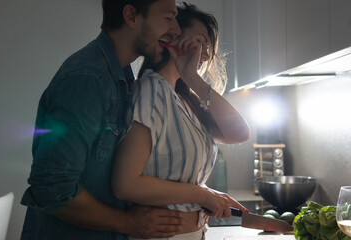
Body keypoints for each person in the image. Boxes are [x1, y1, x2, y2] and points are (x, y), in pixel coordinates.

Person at [20, 0, 185, 239]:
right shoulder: (87, 80)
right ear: (131, 15)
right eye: (168, 18)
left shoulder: (122, 77)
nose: (177, 30)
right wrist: (130, 223)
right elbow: (53, 189)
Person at [111, 3, 250, 239]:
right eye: (199, 42)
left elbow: (239, 133)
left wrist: (192, 79)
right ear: (172, 37)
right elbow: (126, 184)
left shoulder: (183, 99)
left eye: (207, 48)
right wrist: (202, 195)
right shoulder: (152, 90)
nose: (204, 55)